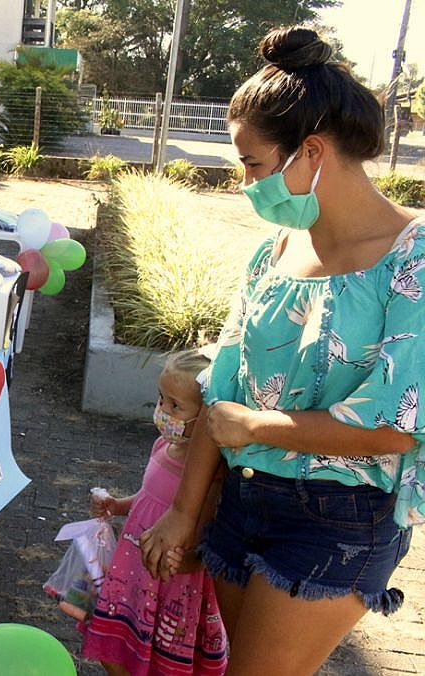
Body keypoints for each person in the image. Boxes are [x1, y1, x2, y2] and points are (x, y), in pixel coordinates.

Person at [139, 27, 423, 675]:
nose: (246, 184)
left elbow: (393, 426)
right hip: (243, 503)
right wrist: (186, 512)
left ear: (312, 151)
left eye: (254, 165)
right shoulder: (275, 252)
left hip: (340, 518)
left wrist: (255, 427)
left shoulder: (416, 258)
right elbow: (223, 386)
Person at [80, 349, 227, 676]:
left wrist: (185, 561)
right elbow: (150, 497)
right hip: (134, 567)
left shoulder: (211, 475)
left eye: (176, 405)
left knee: (156, 652)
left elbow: (206, 536)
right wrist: (119, 506)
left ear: (205, 417)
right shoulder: (163, 446)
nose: (164, 410)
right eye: (162, 399)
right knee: (114, 639)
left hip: (171, 581)